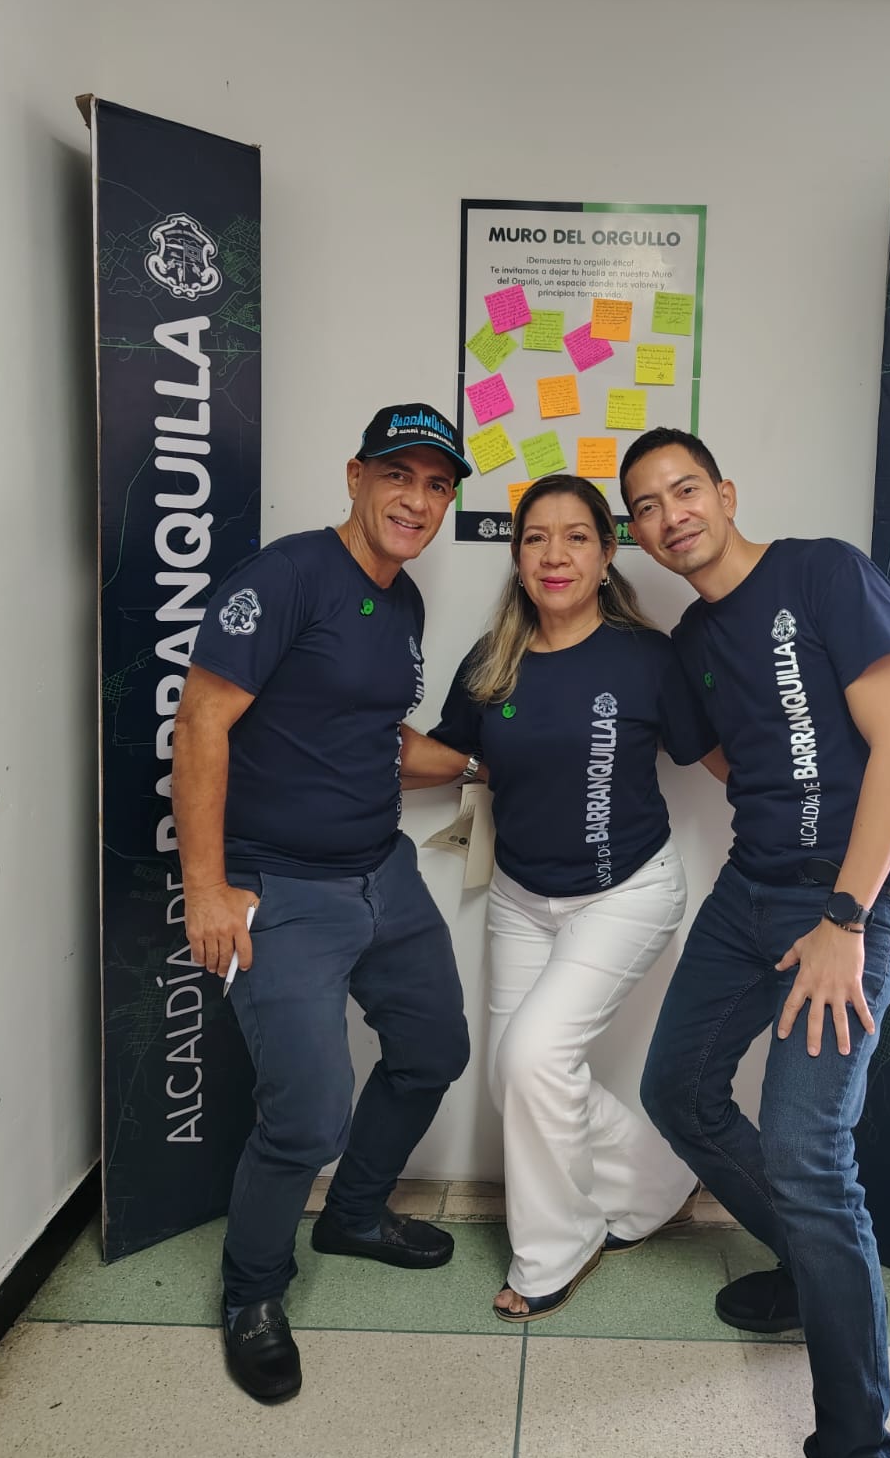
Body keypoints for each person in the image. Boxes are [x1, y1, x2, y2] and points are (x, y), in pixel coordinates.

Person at [619, 427, 890, 1458]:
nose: (670, 515)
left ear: (725, 493)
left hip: (860, 897)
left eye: (684, 490)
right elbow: (732, 754)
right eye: (646, 506)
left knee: (808, 1152)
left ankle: (856, 1446)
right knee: (677, 1091)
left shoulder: (823, 572)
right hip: (753, 888)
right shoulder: (691, 642)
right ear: (638, 533)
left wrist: (843, 920)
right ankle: (813, 1270)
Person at [173, 406, 481, 1404]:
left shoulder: (403, 603)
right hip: (280, 887)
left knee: (433, 1050)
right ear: (356, 477)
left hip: (381, 871)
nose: (417, 500)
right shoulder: (286, 577)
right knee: (306, 1118)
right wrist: (206, 886)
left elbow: (379, 738)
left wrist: (486, 761)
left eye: (437, 485)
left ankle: (353, 1215)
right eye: (399, 475)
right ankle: (253, 1293)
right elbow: (201, 723)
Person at [424, 474, 725, 1322]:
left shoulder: (648, 657)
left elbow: (721, 760)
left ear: (606, 553)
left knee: (532, 1061)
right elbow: (445, 755)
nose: (553, 555)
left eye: (576, 537)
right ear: (517, 556)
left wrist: (820, 821)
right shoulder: (491, 660)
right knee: (514, 1078)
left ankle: (552, 1254)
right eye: (535, 538)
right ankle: (659, 1181)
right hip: (521, 896)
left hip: (627, 893)